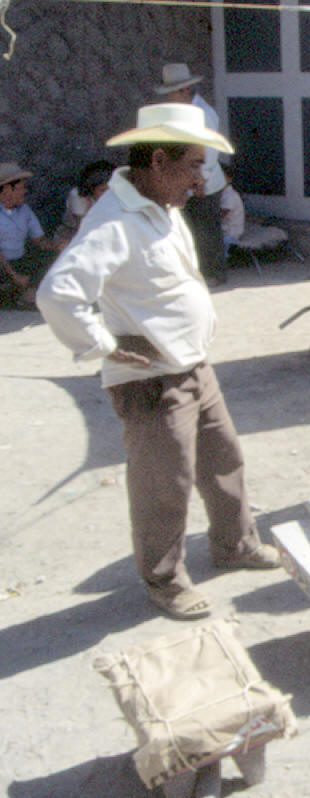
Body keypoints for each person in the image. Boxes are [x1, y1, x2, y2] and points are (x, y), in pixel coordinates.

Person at [36, 103, 280, 620]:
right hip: (151, 380)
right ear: (161, 160)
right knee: (163, 486)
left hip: (193, 366)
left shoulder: (159, 208)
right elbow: (58, 294)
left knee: (224, 460)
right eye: (194, 165)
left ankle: (235, 546)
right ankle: (164, 580)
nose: (199, 180)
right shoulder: (115, 219)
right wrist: (102, 344)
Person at [157, 63, 229, 284]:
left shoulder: (203, 114)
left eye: (173, 92)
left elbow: (210, 152)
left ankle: (214, 274)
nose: (170, 97)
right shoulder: (178, 112)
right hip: (185, 180)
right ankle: (194, 274)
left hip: (203, 182)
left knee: (206, 230)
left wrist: (199, 181)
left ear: (184, 91)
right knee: (189, 230)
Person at [0, 162, 65, 308]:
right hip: (3, 266)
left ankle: (27, 294)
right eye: (21, 187)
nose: (24, 191)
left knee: (52, 255)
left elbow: (39, 240)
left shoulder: (25, 210)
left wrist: (57, 245)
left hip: (18, 261)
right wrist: (14, 276)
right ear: (6, 189)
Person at [55, 160, 116, 244]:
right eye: (102, 190)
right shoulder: (77, 196)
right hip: (73, 236)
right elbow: (85, 228)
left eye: (111, 188)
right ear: (90, 188)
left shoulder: (116, 194)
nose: (108, 193)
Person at [218, 162, 245, 256]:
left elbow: (222, 213)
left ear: (229, 179)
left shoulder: (229, 195)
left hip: (231, 234)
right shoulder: (223, 193)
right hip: (226, 232)